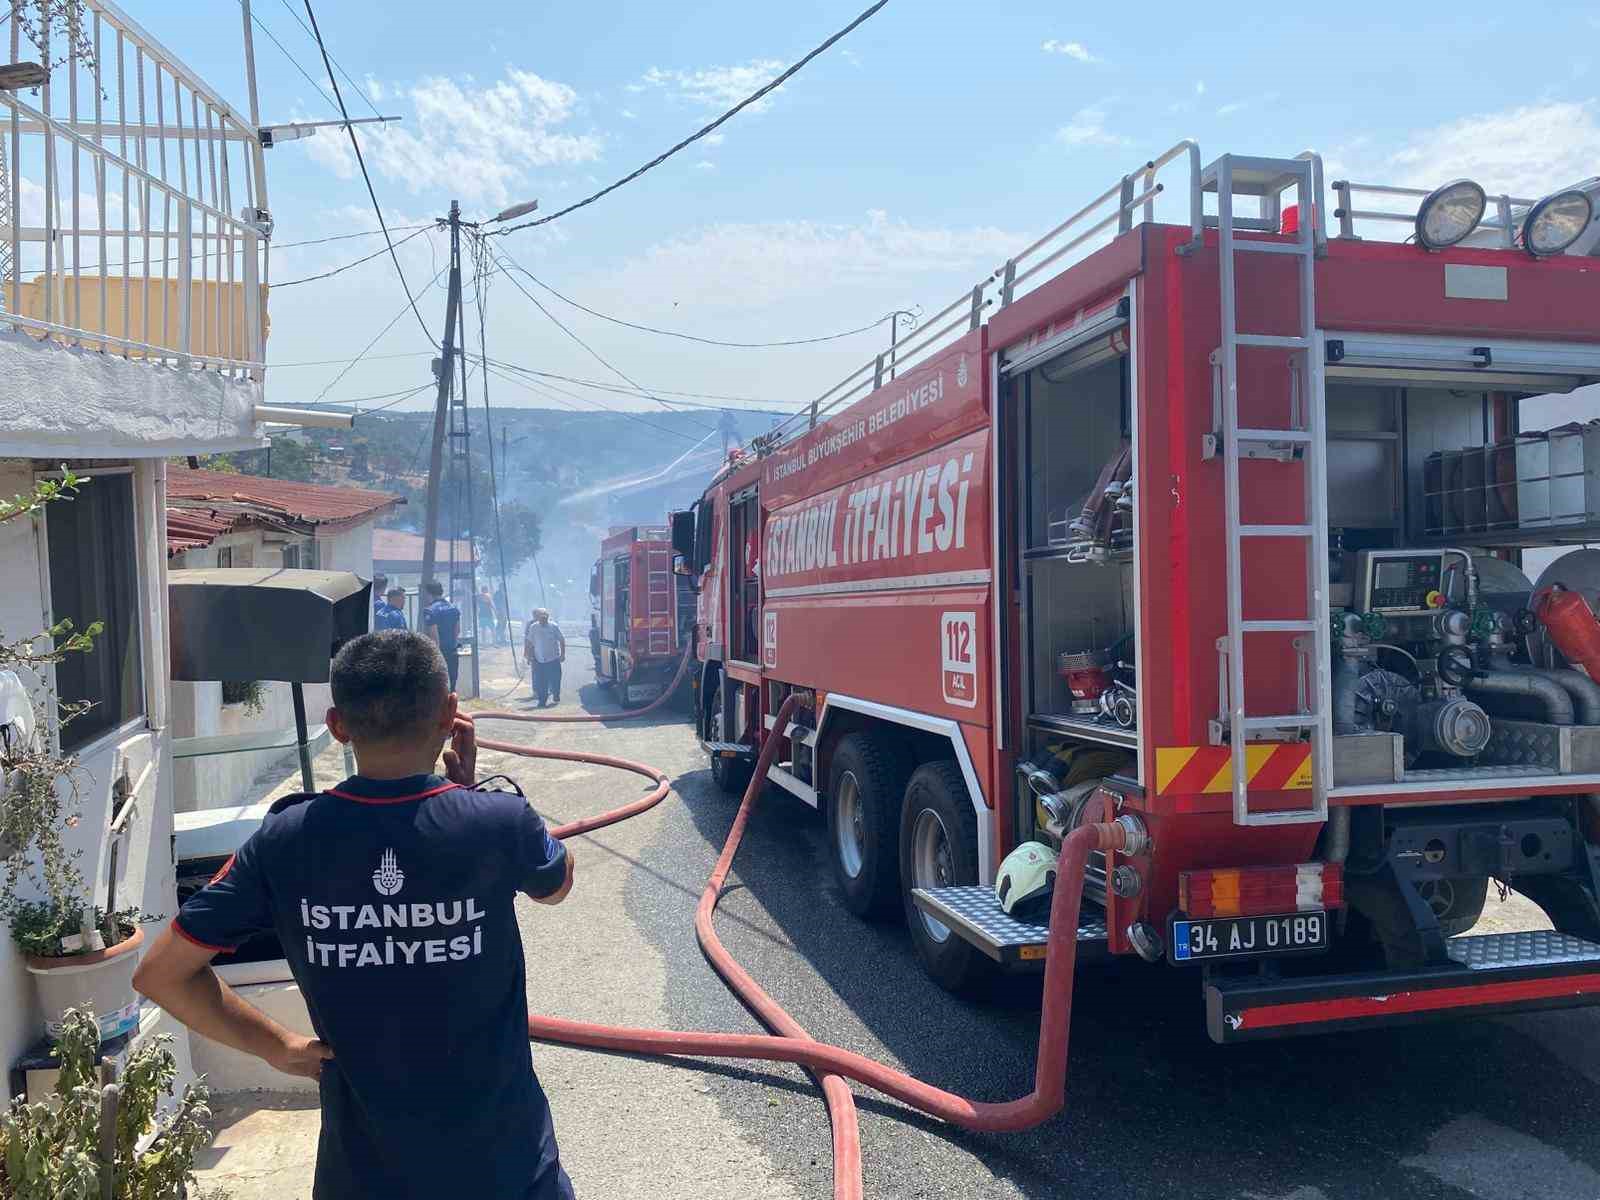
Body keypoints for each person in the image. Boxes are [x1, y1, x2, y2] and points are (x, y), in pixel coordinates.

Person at [132, 631, 577, 1200]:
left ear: (337, 725)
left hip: (363, 1179)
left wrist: (280, 1049)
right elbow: (556, 885)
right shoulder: (499, 823)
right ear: (449, 713)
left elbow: (160, 973)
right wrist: (467, 795)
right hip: (508, 1171)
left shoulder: (285, 841)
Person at [422, 580, 462, 691]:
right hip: (452, 650)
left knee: (438, 685)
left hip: (439, 652)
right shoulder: (453, 608)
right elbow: (457, 630)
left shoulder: (430, 610)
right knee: (452, 682)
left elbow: (433, 635)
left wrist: (435, 653)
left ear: (428, 593)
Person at [525, 608, 566, 707]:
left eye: (545, 617)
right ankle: (542, 700)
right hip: (539, 659)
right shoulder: (533, 627)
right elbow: (529, 642)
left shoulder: (553, 626)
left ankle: (556, 694)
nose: (543, 620)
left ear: (548, 617)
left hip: (553, 658)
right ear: (538, 618)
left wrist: (562, 654)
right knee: (541, 681)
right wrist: (528, 655)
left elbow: (561, 640)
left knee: (555, 679)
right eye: (541, 618)